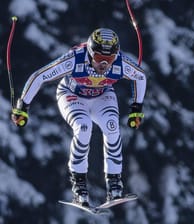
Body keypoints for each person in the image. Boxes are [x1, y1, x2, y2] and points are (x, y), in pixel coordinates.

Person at [11, 28, 147, 207]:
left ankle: (114, 184)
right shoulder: (75, 59)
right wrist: (23, 106)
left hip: (102, 96)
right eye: (99, 58)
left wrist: (136, 108)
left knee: (112, 127)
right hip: (71, 95)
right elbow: (40, 76)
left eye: (110, 59)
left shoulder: (120, 63)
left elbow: (140, 77)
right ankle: (79, 185)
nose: (104, 64)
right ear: (90, 52)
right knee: (83, 127)